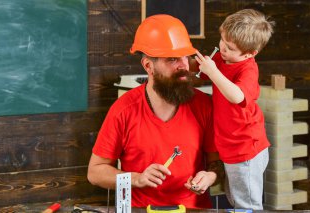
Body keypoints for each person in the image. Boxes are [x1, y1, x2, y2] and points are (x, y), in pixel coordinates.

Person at [87, 14, 222, 209]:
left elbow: (217, 165)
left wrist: (210, 176)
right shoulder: (123, 110)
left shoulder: (203, 105)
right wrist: (137, 179)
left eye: (185, 56)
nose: (184, 65)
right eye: (172, 59)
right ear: (148, 66)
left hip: (193, 210)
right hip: (139, 210)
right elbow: (95, 172)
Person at [194, 9, 275, 210]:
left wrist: (213, 71)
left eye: (229, 47)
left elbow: (237, 96)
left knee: (246, 205)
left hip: (245, 149)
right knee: (234, 198)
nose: (222, 48)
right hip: (230, 146)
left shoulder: (248, 69)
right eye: (222, 40)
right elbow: (202, 71)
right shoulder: (225, 58)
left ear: (250, 53)